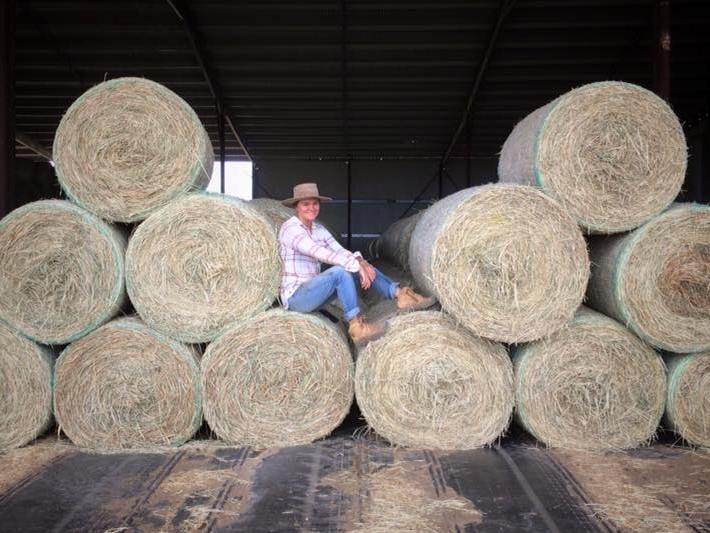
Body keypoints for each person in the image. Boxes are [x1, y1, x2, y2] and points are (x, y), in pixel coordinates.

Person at [278, 182, 435, 345]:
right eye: (306, 204)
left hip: (313, 292)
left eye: (315, 203)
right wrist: (356, 265)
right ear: (296, 207)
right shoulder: (291, 229)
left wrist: (361, 262)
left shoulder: (318, 229)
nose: (311, 208)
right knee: (341, 272)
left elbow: (339, 251)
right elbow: (319, 252)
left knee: (357, 267)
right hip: (296, 298)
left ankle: (400, 295)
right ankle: (357, 327)